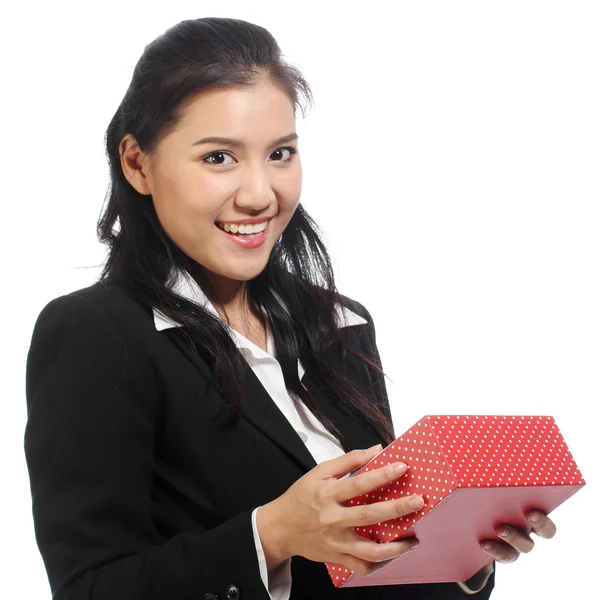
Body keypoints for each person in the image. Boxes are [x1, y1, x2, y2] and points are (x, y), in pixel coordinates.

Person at [23, 16, 558, 600]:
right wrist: (270, 536)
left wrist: (461, 554)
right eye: (218, 158)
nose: (260, 194)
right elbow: (91, 587)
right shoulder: (95, 335)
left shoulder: (341, 324)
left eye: (280, 153)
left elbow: (373, 556)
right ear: (137, 164)